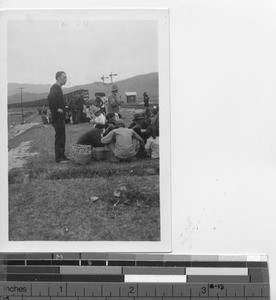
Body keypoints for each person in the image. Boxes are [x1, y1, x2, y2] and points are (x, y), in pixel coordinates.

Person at [48, 71, 68, 163]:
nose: (66, 79)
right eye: (64, 78)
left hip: (60, 117)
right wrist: (56, 109)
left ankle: (62, 156)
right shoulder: (55, 88)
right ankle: (59, 158)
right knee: (59, 137)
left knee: (62, 137)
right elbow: (50, 99)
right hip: (58, 118)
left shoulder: (58, 88)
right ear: (59, 78)